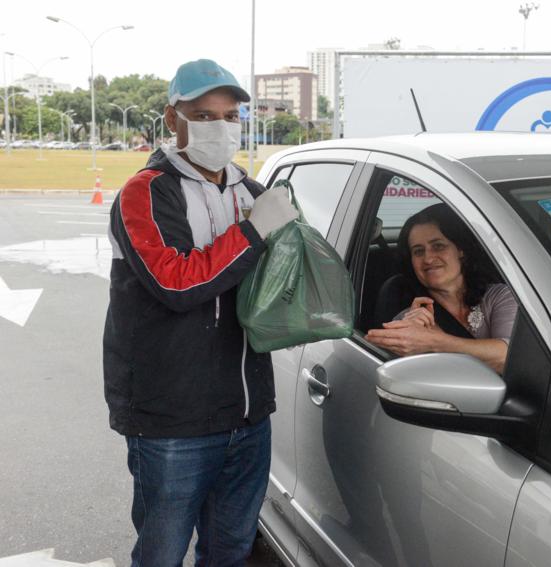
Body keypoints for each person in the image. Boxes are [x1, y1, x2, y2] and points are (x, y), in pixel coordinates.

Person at [103, 59, 298, 565]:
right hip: (172, 420)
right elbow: (176, 282)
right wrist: (254, 233)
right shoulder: (144, 193)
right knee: (162, 553)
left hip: (248, 414)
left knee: (231, 549)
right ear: (174, 119)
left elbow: (280, 292)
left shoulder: (252, 193)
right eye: (205, 114)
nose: (221, 127)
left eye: (231, 115)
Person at [366, 203, 517, 373]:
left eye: (438, 246)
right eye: (418, 251)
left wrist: (434, 342)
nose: (428, 258)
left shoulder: (499, 296)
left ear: (461, 249)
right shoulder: (409, 320)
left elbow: (511, 358)